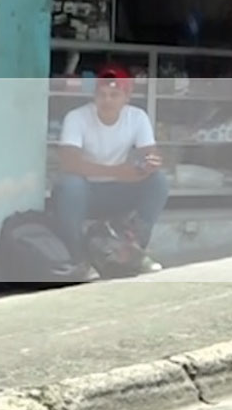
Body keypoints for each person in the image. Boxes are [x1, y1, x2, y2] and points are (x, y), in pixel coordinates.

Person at [52, 65, 168, 274]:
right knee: (70, 184)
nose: (107, 100)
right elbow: (69, 162)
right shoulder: (76, 117)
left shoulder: (137, 117)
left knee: (158, 180)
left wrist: (148, 164)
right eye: (102, 94)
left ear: (126, 97)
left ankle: (134, 251)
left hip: (118, 192)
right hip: (85, 193)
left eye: (114, 95)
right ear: (94, 96)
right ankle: (78, 260)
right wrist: (117, 171)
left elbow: (150, 153)